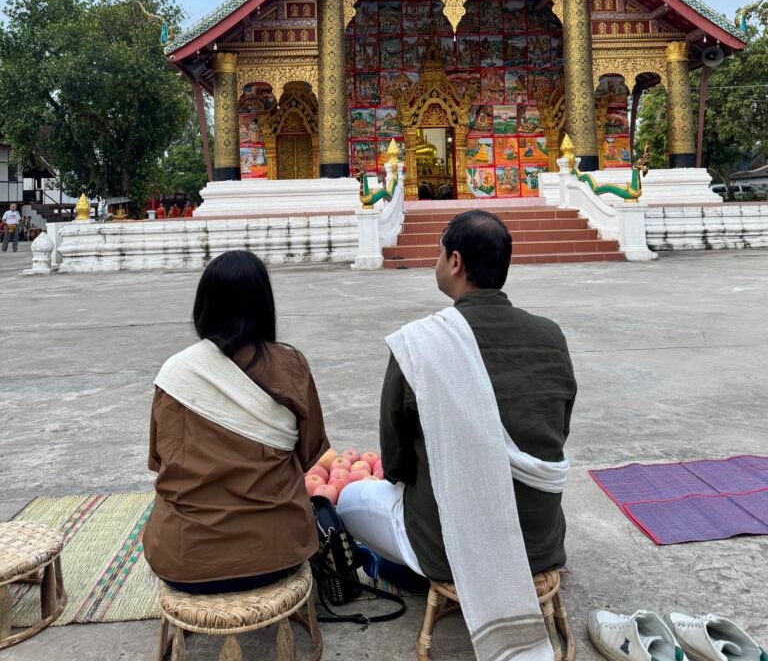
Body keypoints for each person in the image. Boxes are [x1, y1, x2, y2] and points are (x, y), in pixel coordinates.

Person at [337, 209, 576, 659]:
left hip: (447, 548)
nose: (436, 261)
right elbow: (556, 433)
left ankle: (410, 573)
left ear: (456, 262)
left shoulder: (418, 344)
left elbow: (396, 463)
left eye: (438, 253)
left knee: (351, 500)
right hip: (539, 542)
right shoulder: (551, 336)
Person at [143, 250, 329, 592]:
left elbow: (161, 461)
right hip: (278, 553)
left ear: (203, 307)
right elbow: (308, 454)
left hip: (185, 562)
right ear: (263, 305)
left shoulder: (176, 375)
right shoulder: (291, 367)